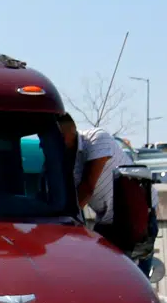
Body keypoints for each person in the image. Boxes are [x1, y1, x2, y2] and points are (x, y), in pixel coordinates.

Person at [58, 113, 157, 276]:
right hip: (105, 221)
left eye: (60, 137)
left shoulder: (97, 139)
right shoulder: (62, 161)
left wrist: (61, 222)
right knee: (101, 277)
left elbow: (87, 188)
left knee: (134, 279)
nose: (57, 143)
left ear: (72, 130)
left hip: (135, 218)